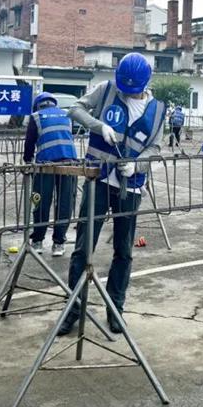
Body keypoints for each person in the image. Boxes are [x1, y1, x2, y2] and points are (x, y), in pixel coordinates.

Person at [60, 52, 165, 335]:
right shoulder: (106, 90)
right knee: (83, 247)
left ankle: (115, 308)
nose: (126, 92)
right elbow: (75, 109)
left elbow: (155, 147)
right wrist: (99, 126)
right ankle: (73, 309)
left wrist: (137, 163)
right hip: (99, 180)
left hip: (131, 186)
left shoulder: (158, 110)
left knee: (124, 250)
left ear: (145, 83)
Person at [22, 92, 76, 255]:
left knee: (39, 201)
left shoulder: (36, 117)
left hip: (45, 164)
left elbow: (29, 142)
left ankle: (37, 241)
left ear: (37, 106)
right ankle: (59, 243)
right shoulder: (67, 115)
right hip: (70, 163)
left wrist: (27, 161)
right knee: (65, 203)